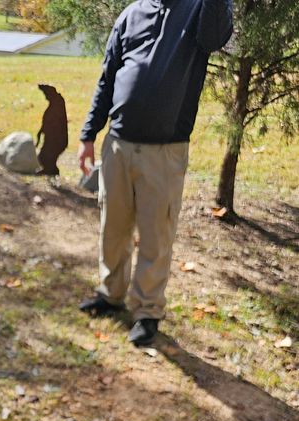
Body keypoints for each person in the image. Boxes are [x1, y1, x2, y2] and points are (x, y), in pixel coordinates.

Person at [77, 0, 233, 347]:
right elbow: (108, 77)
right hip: (117, 145)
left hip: (164, 152)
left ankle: (147, 312)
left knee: (155, 235)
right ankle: (110, 293)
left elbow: (216, 36)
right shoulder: (132, 14)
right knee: (113, 227)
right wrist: (88, 134)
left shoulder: (198, 10)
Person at [36, 85, 68, 177]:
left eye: (46, 94)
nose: (45, 97)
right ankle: (51, 171)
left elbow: (53, 122)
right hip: (51, 139)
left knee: (46, 156)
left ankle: (51, 170)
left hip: (57, 140)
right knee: (43, 157)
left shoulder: (58, 104)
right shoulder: (54, 103)